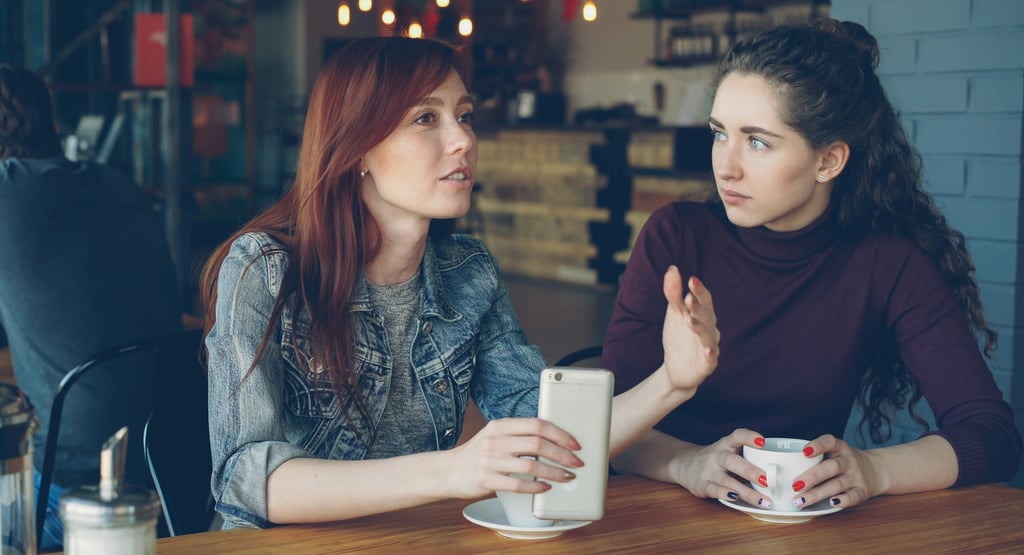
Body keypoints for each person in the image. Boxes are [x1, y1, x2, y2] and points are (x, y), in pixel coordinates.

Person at [200, 36, 719, 529]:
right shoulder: (265, 270)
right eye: (426, 118)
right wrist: (453, 470)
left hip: (417, 541)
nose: (463, 140)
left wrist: (672, 382)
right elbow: (246, 480)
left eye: (465, 117)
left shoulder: (468, 273)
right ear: (356, 148)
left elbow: (550, 435)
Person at [604, 19, 1023, 512]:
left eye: (757, 141)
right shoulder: (676, 235)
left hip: (793, 527)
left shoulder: (888, 265)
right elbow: (602, 429)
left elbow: (993, 437)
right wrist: (687, 463)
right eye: (720, 134)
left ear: (829, 161)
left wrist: (875, 469)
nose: (726, 166)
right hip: (649, 514)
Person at [0, 64, 183, 549]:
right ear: (49, 120)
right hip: (168, 465)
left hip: (65, 485)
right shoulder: (113, 182)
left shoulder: (6, 190)